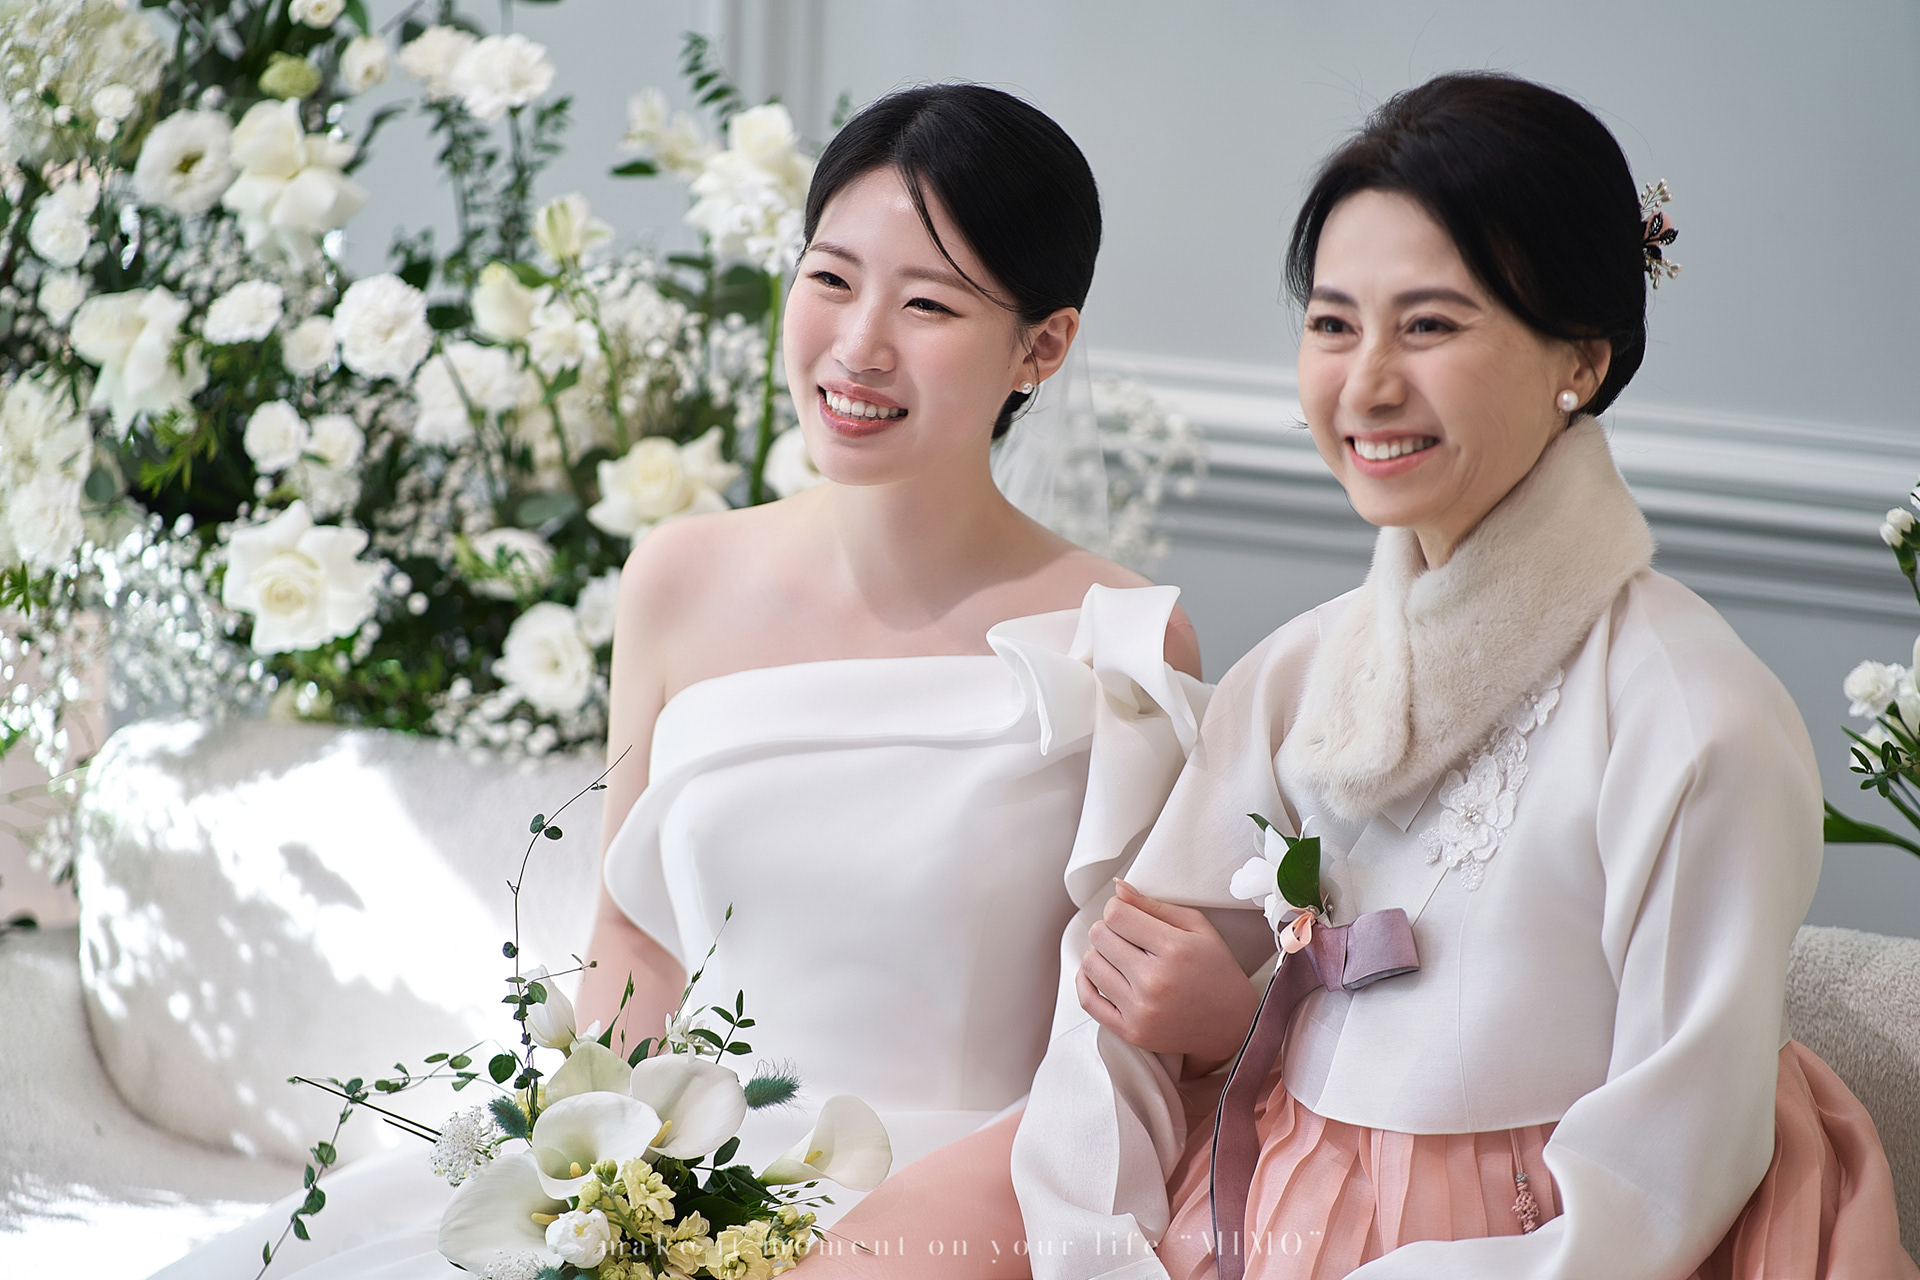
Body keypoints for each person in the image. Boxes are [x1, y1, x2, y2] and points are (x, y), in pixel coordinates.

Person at [153, 83, 1209, 1279]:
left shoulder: (1120, 643)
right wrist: (602, 1195)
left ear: (1042, 345)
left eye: (927, 303)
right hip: (679, 1186)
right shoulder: (678, 576)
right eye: (830, 278)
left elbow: (1117, 1054)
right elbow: (635, 940)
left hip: (960, 1214)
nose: (860, 344)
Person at [1012, 72, 1919, 1280]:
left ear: (1580, 358)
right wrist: (1098, 1254)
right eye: (1333, 324)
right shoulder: (1295, 674)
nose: (1367, 382)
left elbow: (1667, 1169)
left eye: (1431, 325)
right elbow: (1108, 1014)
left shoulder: (1693, 718)